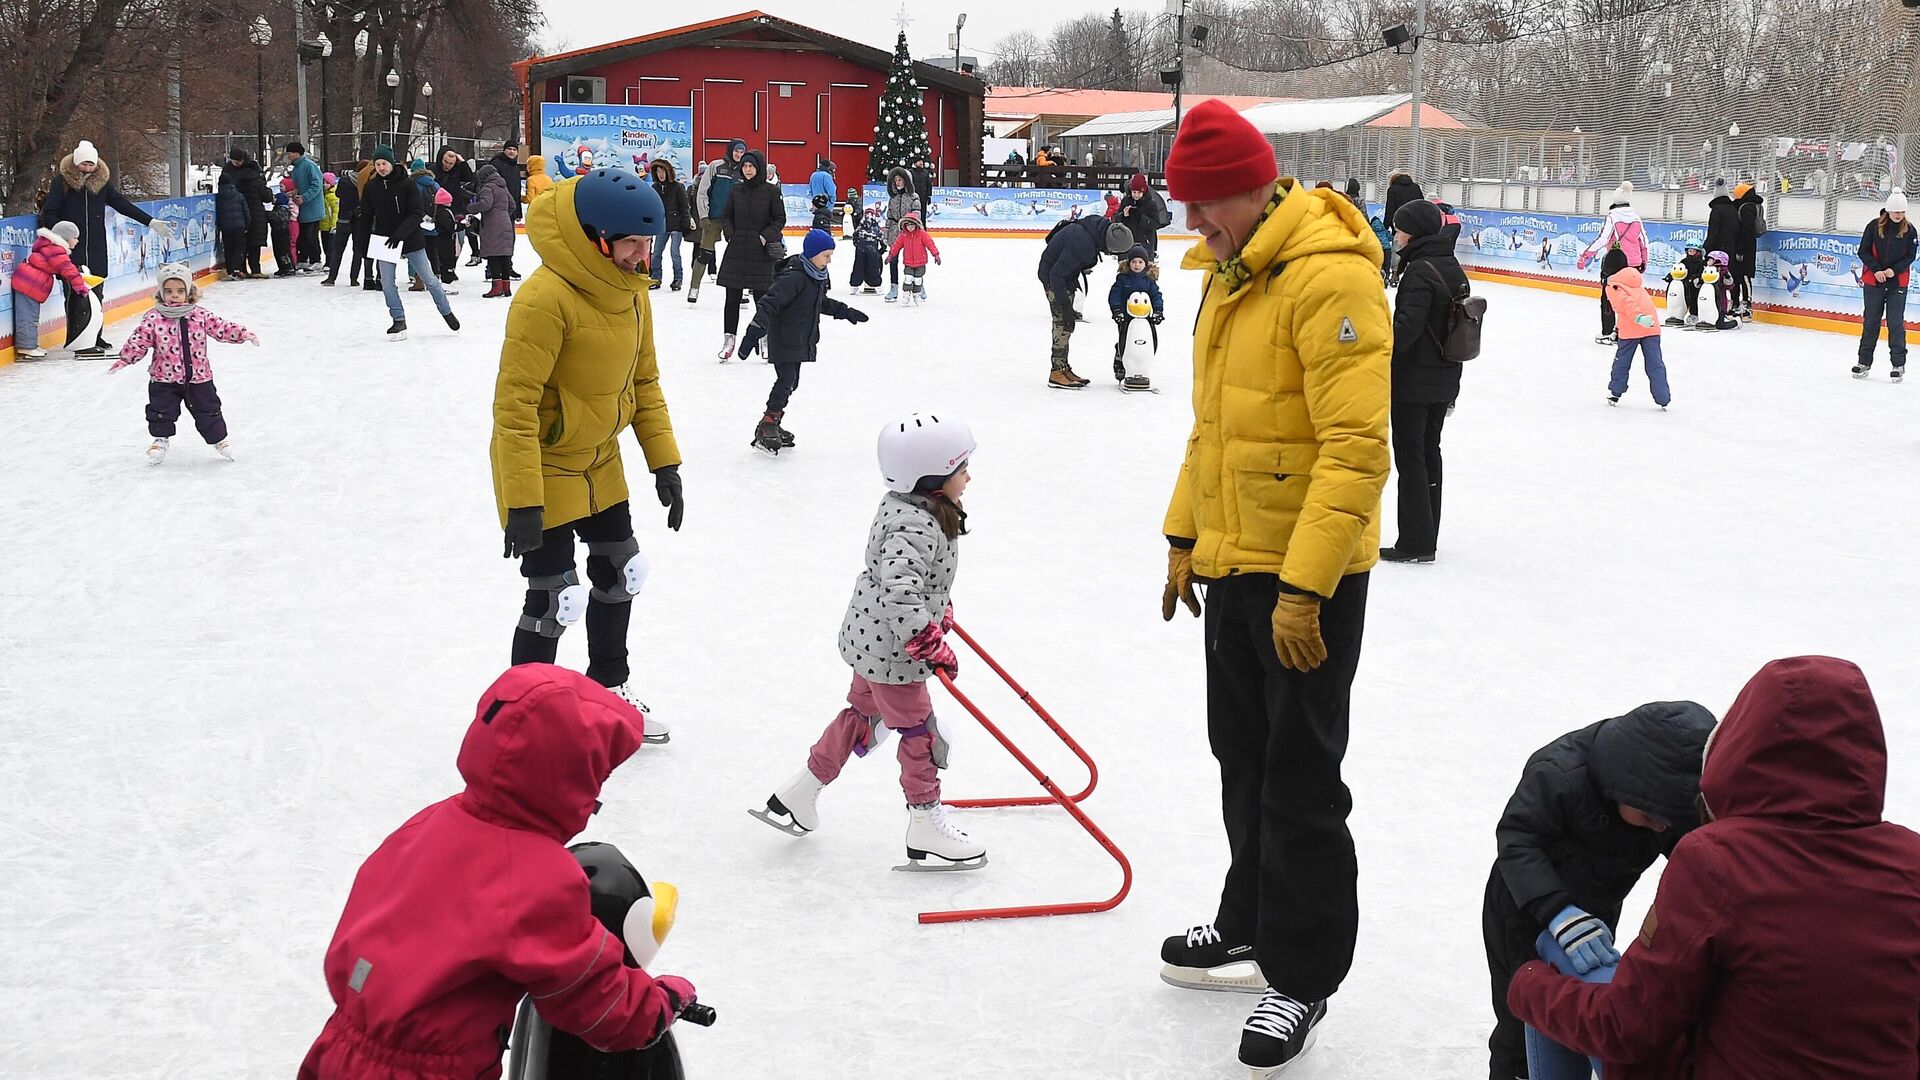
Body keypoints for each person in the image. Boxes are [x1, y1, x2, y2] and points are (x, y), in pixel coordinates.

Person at [1155, 98, 1390, 1078]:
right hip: (1236, 562)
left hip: (1311, 579)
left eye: (1207, 209)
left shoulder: (1327, 276)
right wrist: (1183, 536)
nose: (1196, 229)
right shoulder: (1231, 276)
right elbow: (1217, 431)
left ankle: (1304, 974)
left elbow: (1354, 449)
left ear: (1254, 188)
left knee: (1300, 783)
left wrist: (1305, 589)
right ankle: (1249, 924)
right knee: (1242, 763)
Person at [1507, 656, 1920, 1080]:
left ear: (1742, 741)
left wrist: (1528, 984)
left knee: (1555, 963)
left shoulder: (1717, 863)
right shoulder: (1911, 861)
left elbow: (1626, 1027)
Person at [297, 664, 700, 1080]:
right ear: (570, 777)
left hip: (337, 1049)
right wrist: (664, 1001)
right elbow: (597, 1003)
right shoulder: (541, 879)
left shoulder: (430, 822)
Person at [492, 167, 681, 743]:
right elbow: (514, 407)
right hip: (545, 468)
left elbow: (644, 383)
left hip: (601, 461)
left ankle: (606, 689)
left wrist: (664, 461)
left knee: (623, 573)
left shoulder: (633, 294)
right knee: (556, 599)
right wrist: (523, 502)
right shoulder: (543, 299)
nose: (642, 255)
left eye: (649, 244)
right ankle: (518, 721)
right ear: (596, 238)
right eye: (632, 244)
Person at [752, 412, 986, 871]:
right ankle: (923, 821)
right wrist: (927, 640)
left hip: (872, 640)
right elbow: (902, 589)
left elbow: (913, 583)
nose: (968, 477)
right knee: (922, 733)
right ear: (932, 476)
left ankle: (799, 793)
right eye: (961, 469)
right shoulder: (913, 523)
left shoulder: (912, 507)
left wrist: (938, 613)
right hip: (895, 653)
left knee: (863, 715)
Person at [1482, 701, 1716, 1080]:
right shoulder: (1559, 775)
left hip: (1596, 913)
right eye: (1650, 818)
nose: (1660, 829)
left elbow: (1695, 854)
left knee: (1580, 1007)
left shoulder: (1664, 800)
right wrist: (1557, 911)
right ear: (1622, 786)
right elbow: (1518, 842)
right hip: (1522, 909)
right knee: (1520, 1020)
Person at [1382, 199, 1468, 564]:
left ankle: (1415, 542)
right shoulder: (1451, 265)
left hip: (1414, 383)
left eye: (1399, 228)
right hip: (1446, 376)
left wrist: (1378, 337)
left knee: (1412, 457)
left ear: (1414, 230)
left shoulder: (1419, 270)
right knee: (1429, 452)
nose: (1395, 235)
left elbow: (1405, 334)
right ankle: (1426, 535)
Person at [108, 262, 258, 465]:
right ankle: (160, 440)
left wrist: (243, 333)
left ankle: (219, 440)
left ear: (189, 291)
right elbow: (139, 339)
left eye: (180, 290)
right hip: (163, 378)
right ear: (161, 292)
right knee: (160, 411)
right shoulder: (154, 317)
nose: (174, 295)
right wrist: (125, 358)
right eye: (168, 291)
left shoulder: (199, 315)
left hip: (199, 377)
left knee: (208, 409)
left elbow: (220, 327)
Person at [738, 229, 870, 453]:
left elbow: (820, 303)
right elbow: (769, 303)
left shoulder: (814, 276)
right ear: (812, 254)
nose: (829, 260)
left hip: (799, 338)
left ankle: (773, 422)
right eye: (826, 255)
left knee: (791, 382)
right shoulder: (795, 277)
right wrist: (755, 330)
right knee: (786, 380)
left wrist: (846, 312)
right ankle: (767, 425)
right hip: (785, 338)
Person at [39, 139, 172, 355]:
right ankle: (79, 342)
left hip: (97, 248)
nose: (88, 168)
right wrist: (62, 235)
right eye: (84, 164)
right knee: (76, 295)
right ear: (75, 163)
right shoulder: (61, 182)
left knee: (96, 294)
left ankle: (95, 335)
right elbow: (50, 212)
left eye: (91, 164)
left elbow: (123, 205)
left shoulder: (101, 184)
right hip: (72, 249)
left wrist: (151, 222)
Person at [363, 146, 457, 340]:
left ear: (392, 163)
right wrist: (363, 243)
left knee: (429, 279)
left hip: (410, 237)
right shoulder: (372, 187)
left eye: (384, 164)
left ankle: (446, 311)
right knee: (387, 283)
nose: (381, 168)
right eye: (378, 164)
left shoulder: (407, 184)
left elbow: (416, 212)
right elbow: (366, 215)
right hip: (385, 240)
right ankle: (398, 319)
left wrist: (401, 234)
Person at [1039, 212, 1132, 389]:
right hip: (1054, 279)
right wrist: (1065, 307)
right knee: (1062, 324)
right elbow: (1055, 274)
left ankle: (1064, 367)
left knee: (1066, 324)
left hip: (1066, 276)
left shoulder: (1097, 228)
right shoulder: (1082, 244)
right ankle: (1057, 371)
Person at [715, 150, 784, 360]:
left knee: (762, 299)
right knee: (732, 298)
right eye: (744, 166)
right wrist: (730, 234)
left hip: (760, 254)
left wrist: (764, 237)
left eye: (751, 166)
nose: (747, 170)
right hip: (736, 251)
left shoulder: (771, 191)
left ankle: (764, 338)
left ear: (759, 168)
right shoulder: (737, 190)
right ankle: (729, 340)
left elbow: (779, 219)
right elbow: (726, 215)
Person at [1575, 182, 1648, 345]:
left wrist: (1586, 255)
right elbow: (1643, 241)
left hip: (1616, 264)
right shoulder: (1636, 218)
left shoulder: (1613, 217)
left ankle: (1609, 332)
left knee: (1609, 299)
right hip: (1633, 264)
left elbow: (1602, 239)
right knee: (1631, 298)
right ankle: (1628, 331)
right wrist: (1644, 261)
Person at [1853, 188, 1914, 381]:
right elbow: (1863, 251)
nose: (1899, 215)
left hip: (1897, 284)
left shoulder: (1910, 230)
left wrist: (1892, 271)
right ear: (1888, 210)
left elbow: (1910, 256)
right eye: (1896, 211)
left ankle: (1898, 364)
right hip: (1874, 283)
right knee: (1871, 322)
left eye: (1902, 212)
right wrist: (1876, 270)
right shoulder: (1873, 227)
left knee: (1895, 323)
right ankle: (1863, 362)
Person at [10, 221, 91, 360]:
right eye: (75, 237)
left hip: (30, 281)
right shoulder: (56, 249)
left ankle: (30, 344)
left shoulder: (51, 247)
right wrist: (80, 287)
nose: (77, 241)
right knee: (28, 316)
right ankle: (26, 347)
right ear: (66, 237)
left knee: (31, 315)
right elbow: (68, 270)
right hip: (29, 282)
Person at [1604, 266, 1671, 409]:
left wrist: (1639, 318)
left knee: (1622, 362)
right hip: (1651, 328)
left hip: (1631, 330)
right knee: (1655, 364)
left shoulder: (1614, 286)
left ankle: (1616, 392)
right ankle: (1663, 397)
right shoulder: (1637, 286)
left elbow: (1626, 304)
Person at [691, 139, 748, 303]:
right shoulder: (716, 166)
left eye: (741, 151)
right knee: (704, 253)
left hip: (735, 221)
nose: (738, 154)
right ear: (731, 150)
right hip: (714, 218)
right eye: (736, 151)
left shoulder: (745, 170)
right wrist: (703, 215)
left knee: (738, 255)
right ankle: (694, 288)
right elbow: (703, 191)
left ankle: (740, 291)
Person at [1107, 244, 1163, 381]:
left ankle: (1144, 364)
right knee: (1125, 339)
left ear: (1145, 263)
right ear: (1128, 263)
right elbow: (1114, 295)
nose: (1136, 265)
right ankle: (1120, 359)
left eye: (1140, 262)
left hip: (1145, 318)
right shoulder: (1123, 279)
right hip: (1126, 318)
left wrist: (1158, 311)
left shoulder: (1149, 280)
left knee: (1149, 339)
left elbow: (1156, 296)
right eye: (1133, 261)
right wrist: (1117, 311)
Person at [467, 162, 518, 299]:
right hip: (506, 222)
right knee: (505, 256)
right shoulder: (503, 186)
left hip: (492, 225)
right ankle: (506, 288)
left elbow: (485, 204)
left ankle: (496, 288)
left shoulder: (487, 187)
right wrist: (503, 214)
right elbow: (512, 205)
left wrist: (471, 207)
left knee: (494, 255)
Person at [215, 147, 266, 281]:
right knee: (245, 243)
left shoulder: (250, 171)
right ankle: (244, 269)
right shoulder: (235, 172)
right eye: (234, 161)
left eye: (239, 161)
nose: (237, 163)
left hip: (250, 210)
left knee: (250, 242)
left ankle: (248, 269)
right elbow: (265, 193)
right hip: (245, 210)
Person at [431, 146, 475, 278]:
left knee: (459, 241)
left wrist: (462, 162)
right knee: (440, 243)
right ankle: (441, 268)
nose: (448, 166)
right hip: (438, 211)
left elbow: (470, 177)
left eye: (451, 163)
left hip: (455, 209)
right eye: (445, 162)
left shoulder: (458, 169)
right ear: (441, 159)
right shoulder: (433, 170)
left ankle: (451, 267)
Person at [647, 158, 691, 292]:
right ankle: (656, 278)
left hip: (676, 225)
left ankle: (678, 278)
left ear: (668, 172)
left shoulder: (678, 187)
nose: (661, 174)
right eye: (658, 171)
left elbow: (684, 207)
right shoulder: (654, 187)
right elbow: (651, 207)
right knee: (657, 253)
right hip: (661, 226)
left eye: (663, 171)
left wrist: (686, 224)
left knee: (674, 253)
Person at [882, 166, 922, 302]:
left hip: (909, 232)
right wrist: (886, 234)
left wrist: (913, 228)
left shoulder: (913, 197)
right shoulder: (892, 198)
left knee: (913, 261)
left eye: (900, 179)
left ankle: (918, 285)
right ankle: (894, 287)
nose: (898, 182)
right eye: (895, 180)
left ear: (907, 181)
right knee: (893, 260)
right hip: (894, 231)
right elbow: (888, 217)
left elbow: (917, 215)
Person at [885, 211, 941, 306]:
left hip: (920, 262)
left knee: (918, 280)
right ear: (904, 225)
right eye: (908, 225)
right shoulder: (903, 235)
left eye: (912, 225)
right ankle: (906, 295)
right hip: (908, 262)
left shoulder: (922, 234)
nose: (910, 227)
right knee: (908, 278)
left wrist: (936, 255)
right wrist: (891, 255)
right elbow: (896, 246)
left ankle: (916, 295)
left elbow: (930, 244)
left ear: (916, 225)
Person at [323, 162, 365, 287]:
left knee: (338, 249)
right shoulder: (365, 182)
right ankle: (354, 279)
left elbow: (338, 194)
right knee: (357, 250)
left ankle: (331, 278)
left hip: (344, 218)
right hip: (359, 218)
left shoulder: (345, 180)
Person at [286, 142, 325, 271]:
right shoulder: (296, 168)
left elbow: (316, 185)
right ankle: (303, 258)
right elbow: (297, 185)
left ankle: (316, 260)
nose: (288, 156)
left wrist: (304, 197)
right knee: (302, 235)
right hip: (301, 208)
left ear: (297, 153)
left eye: (289, 153)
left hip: (312, 208)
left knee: (311, 235)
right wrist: (294, 194)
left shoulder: (310, 166)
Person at [1381, 171, 1424, 283]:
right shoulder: (1416, 187)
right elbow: (1422, 204)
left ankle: (1395, 274)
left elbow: (1390, 209)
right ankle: (1413, 273)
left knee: (1397, 248)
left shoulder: (1393, 189)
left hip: (1400, 223)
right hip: (1416, 223)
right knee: (1414, 248)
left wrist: (1386, 226)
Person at [1731, 181, 1765, 319]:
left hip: (1745, 246)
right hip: (1747, 244)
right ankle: (1739, 304)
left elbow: (1746, 230)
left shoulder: (1746, 207)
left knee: (1744, 275)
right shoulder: (1753, 205)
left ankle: (1746, 305)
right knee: (1739, 275)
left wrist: (1740, 250)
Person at [1116, 175, 1168, 259]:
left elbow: (1155, 224)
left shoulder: (1151, 204)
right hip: (1127, 244)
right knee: (1125, 270)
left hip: (1145, 244)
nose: (1136, 195)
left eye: (1139, 193)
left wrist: (1140, 217)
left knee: (1145, 270)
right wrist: (1123, 216)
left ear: (1144, 192)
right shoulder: (1125, 201)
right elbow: (1116, 220)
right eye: (1134, 192)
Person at [849, 204, 885, 294]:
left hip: (861, 248)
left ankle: (854, 286)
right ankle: (877, 286)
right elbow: (881, 238)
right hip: (872, 248)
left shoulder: (861, 225)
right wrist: (881, 250)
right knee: (873, 267)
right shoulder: (876, 226)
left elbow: (855, 235)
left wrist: (857, 244)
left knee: (858, 266)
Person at [269, 177, 297, 277]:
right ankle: (282, 267)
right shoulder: (278, 208)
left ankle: (288, 267)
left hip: (282, 234)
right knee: (278, 251)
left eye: (275, 198)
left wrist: (266, 215)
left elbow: (276, 217)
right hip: (277, 233)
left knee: (283, 251)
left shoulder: (282, 209)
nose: (273, 199)